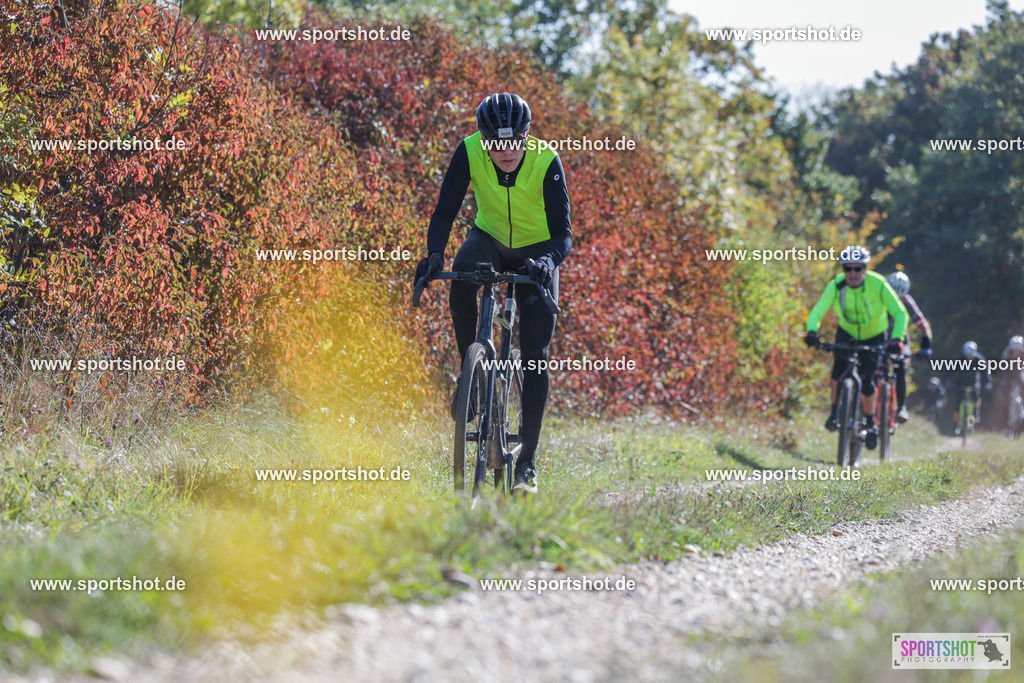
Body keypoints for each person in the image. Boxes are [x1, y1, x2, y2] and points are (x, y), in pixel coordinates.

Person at [414, 92, 572, 494]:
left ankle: (527, 467)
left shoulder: (546, 160)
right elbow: (445, 211)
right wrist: (434, 254)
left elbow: (564, 235)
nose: (505, 151)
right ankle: (473, 378)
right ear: (483, 139)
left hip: (538, 251)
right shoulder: (468, 151)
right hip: (488, 239)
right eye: (496, 143)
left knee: (536, 354)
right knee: (461, 280)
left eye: (513, 141)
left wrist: (547, 264)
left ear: (525, 136)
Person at [804, 246, 909, 450]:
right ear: (843, 269)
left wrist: (897, 339)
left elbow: (900, 313)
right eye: (848, 269)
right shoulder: (837, 284)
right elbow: (818, 310)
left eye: (857, 269)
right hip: (847, 333)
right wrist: (811, 332)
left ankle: (870, 423)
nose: (852, 273)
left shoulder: (878, 284)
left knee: (868, 380)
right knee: (837, 372)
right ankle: (834, 413)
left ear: (864, 268)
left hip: (875, 336)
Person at [884, 271, 933, 423]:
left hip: (901, 341)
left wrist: (926, 346)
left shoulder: (908, 302)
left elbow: (923, 325)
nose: (896, 300)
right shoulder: (879, 298)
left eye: (900, 298)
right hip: (881, 338)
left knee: (900, 367)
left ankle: (901, 407)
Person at [944, 341, 992, 434]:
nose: (969, 359)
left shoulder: (979, 359)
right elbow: (949, 371)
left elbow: (986, 373)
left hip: (974, 383)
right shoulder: (959, 359)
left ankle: (974, 415)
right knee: (957, 406)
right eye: (967, 357)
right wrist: (946, 381)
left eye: (971, 357)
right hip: (960, 384)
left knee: (976, 399)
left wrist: (988, 383)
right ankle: (956, 425)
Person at [998, 335, 1024, 432]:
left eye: (1018, 349)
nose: (1015, 351)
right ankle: (1005, 426)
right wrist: (1003, 379)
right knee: (1006, 401)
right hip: (1009, 377)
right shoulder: (1006, 353)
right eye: (1014, 349)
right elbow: (1003, 367)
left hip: (1021, 375)